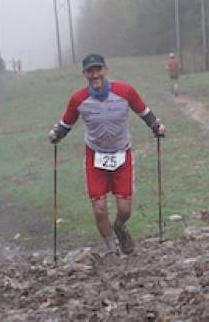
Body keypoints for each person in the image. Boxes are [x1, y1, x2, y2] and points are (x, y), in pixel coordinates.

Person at [48, 53, 166, 255]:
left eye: (98, 70)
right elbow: (66, 122)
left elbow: (144, 112)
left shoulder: (125, 91)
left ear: (105, 70)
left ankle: (120, 226)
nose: (95, 75)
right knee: (100, 209)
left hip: (122, 154)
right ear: (84, 74)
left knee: (125, 210)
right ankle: (112, 249)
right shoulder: (78, 99)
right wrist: (56, 134)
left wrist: (157, 126)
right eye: (90, 71)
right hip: (95, 156)